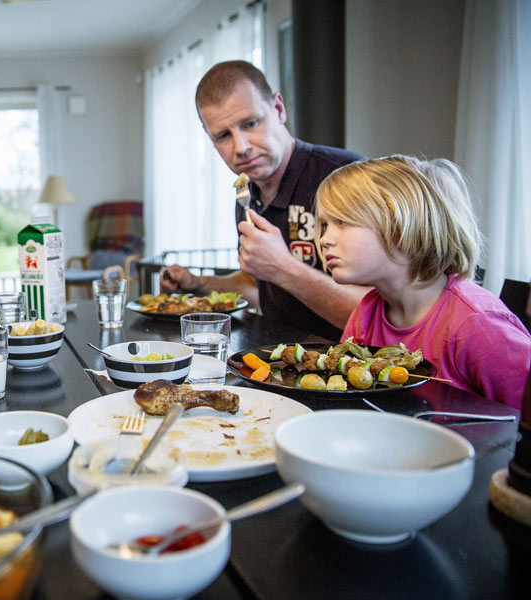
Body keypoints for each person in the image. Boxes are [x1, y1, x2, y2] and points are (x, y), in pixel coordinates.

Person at [160, 60, 367, 341]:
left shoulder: (344, 176)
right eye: (223, 136)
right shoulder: (247, 194)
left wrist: (284, 268)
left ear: (279, 109)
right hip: (283, 361)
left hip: (354, 368)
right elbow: (261, 288)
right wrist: (198, 283)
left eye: (251, 123)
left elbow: (384, 313)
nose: (241, 147)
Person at [316, 155, 531, 408]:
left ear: (402, 227)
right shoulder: (368, 311)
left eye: (341, 222)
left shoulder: (477, 323)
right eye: (324, 225)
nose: (324, 239)